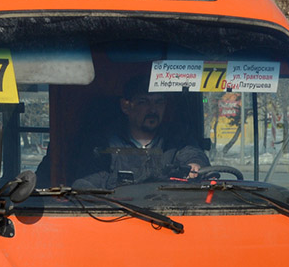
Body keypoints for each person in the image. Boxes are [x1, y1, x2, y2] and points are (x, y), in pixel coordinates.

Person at [71, 75, 208, 189]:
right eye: (144, 102)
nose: (153, 110)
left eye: (159, 102)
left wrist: (195, 164)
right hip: (115, 215)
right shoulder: (102, 142)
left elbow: (194, 154)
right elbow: (88, 184)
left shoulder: (178, 137)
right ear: (126, 106)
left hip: (172, 214)